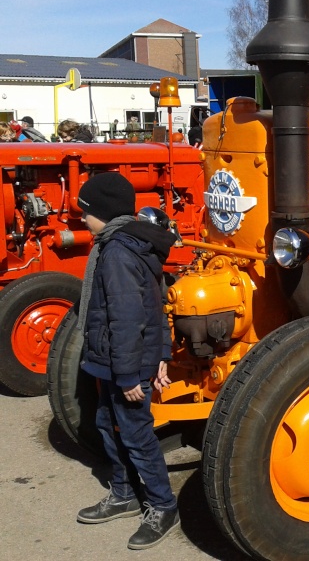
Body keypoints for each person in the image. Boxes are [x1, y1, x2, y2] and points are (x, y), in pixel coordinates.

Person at [74, 172, 180, 550]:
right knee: (107, 423)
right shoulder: (122, 243)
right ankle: (124, 493)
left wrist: (129, 375)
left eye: (84, 212)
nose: (81, 218)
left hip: (124, 364)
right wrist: (163, 353)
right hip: (115, 360)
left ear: (100, 212)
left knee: (136, 435)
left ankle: (164, 505)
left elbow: (128, 317)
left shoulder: (117, 252)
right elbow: (158, 304)